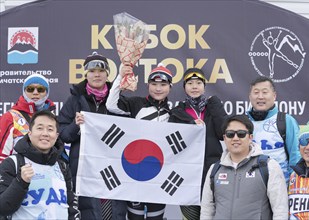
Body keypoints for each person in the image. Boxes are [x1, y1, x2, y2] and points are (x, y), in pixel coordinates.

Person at [58, 52, 124, 219]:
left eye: (101, 71)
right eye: (92, 70)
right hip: (84, 167)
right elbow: (63, 135)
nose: (97, 74)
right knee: (89, 212)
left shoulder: (118, 99)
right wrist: (76, 125)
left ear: (107, 73)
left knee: (112, 212)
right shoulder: (74, 100)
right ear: (86, 74)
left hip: (113, 168)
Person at [106, 63, 173, 219]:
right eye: (154, 84)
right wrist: (121, 77)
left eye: (163, 84)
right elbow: (111, 105)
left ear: (170, 86)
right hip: (134, 172)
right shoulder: (136, 104)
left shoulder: (174, 113)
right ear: (148, 85)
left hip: (159, 176)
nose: (158, 88)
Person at [200, 114, 288, 219]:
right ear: (224, 138)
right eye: (230, 134)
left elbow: (280, 211)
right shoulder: (214, 170)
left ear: (250, 137)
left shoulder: (268, 166)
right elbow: (206, 211)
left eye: (241, 134)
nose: (235, 138)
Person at [169, 67, 227, 220]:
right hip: (187, 174)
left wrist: (214, 103)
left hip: (211, 171)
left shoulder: (212, 108)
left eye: (198, 83)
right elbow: (171, 142)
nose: (194, 87)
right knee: (190, 216)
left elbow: (223, 133)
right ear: (184, 87)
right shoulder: (176, 112)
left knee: (212, 214)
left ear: (204, 86)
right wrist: (191, 123)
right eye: (190, 83)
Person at [0, 110, 80, 219]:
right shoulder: (12, 163)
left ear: (56, 136)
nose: (45, 134)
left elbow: (71, 207)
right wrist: (21, 182)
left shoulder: (62, 166)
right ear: (30, 133)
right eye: (39, 128)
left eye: (50, 129)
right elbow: (3, 208)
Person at [247, 76, 300, 183]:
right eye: (256, 92)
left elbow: (296, 155)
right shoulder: (243, 121)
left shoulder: (286, 121)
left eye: (265, 92)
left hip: (280, 185)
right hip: (250, 186)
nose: (260, 97)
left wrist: (293, 184)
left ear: (274, 96)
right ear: (250, 96)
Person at [0, 74, 55, 163]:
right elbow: (1, 156)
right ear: (24, 91)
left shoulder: (52, 118)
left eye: (40, 89)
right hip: (18, 174)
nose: (35, 92)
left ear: (47, 92)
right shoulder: (10, 117)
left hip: (46, 173)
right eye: (30, 89)